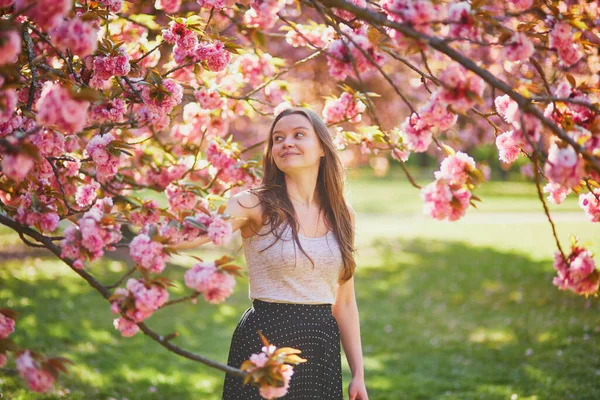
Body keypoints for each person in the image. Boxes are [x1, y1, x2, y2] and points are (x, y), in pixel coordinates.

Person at [174, 107, 368, 399]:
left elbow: (345, 302)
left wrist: (358, 375)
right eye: (278, 138)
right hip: (264, 338)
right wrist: (150, 237)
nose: (286, 143)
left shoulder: (343, 214)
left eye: (298, 135)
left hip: (321, 346)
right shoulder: (252, 204)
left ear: (322, 149)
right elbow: (200, 234)